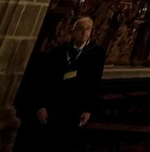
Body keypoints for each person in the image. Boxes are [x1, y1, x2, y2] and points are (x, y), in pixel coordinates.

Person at [32, 15, 105, 144]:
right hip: (54, 101)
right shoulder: (59, 51)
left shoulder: (96, 52)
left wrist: (88, 109)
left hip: (76, 104)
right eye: (81, 29)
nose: (84, 33)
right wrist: (40, 105)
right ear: (73, 32)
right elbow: (45, 79)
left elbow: (94, 82)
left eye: (87, 29)